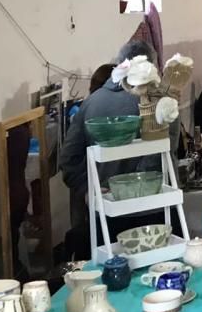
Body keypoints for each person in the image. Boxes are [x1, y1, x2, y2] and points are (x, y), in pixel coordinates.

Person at [60, 41, 174, 257]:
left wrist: (87, 189)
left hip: (106, 212)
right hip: (153, 214)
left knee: (112, 270)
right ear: (150, 67)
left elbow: (68, 158)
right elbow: (165, 154)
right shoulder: (160, 103)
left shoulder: (91, 103)